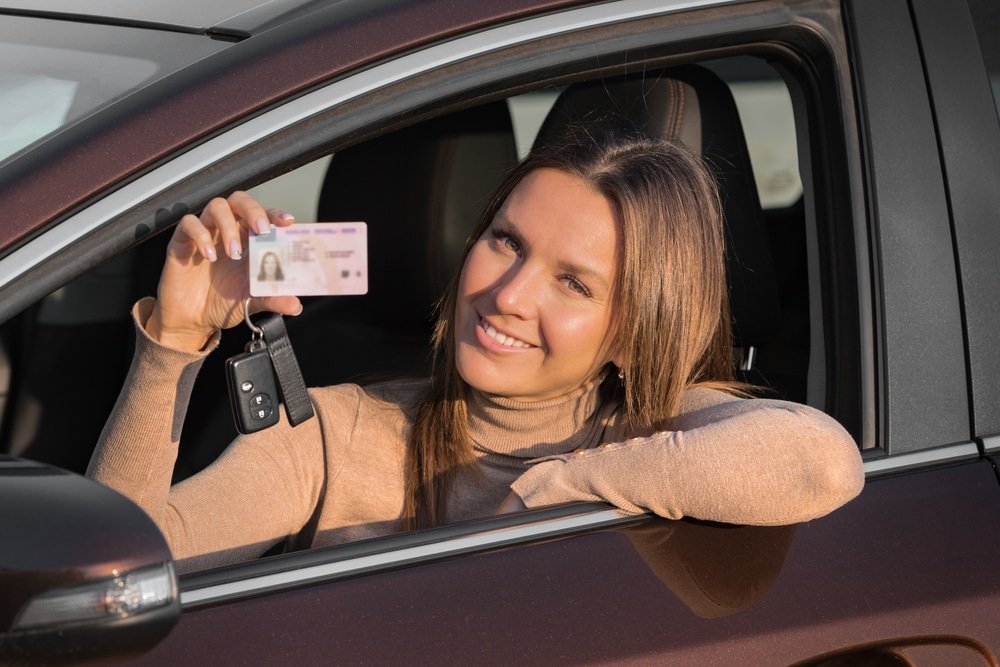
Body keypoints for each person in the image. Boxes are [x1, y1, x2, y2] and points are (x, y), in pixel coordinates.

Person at [88, 125, 864, 571]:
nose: (508, 294)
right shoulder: (338, 435)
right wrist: (176, 340)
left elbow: (819, 460)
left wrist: (564, 486)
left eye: (574, 283)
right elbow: (111, 568)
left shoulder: (658, 432)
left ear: (633, 335)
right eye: (505, 241)